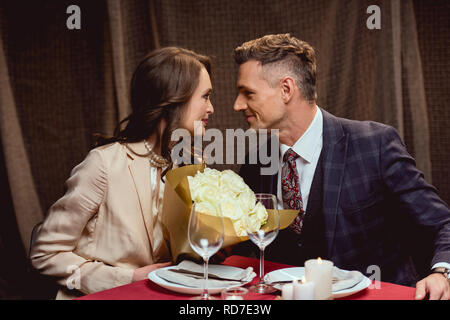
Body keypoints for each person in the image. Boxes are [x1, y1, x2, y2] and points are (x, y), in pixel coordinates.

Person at [232, 34, 450, 300]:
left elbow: (441, 223)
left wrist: (442, 272)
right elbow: (244, 249)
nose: (238, 104)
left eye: (248, 93)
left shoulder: (375, 144)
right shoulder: (256, 163)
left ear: (286, 90)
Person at [30, 47, 214, 299]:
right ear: (175, 97)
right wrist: (126, 279)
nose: (211, 108)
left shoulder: (192, 165)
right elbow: (45, 253)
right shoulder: (103, 164)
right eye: (205, 96)